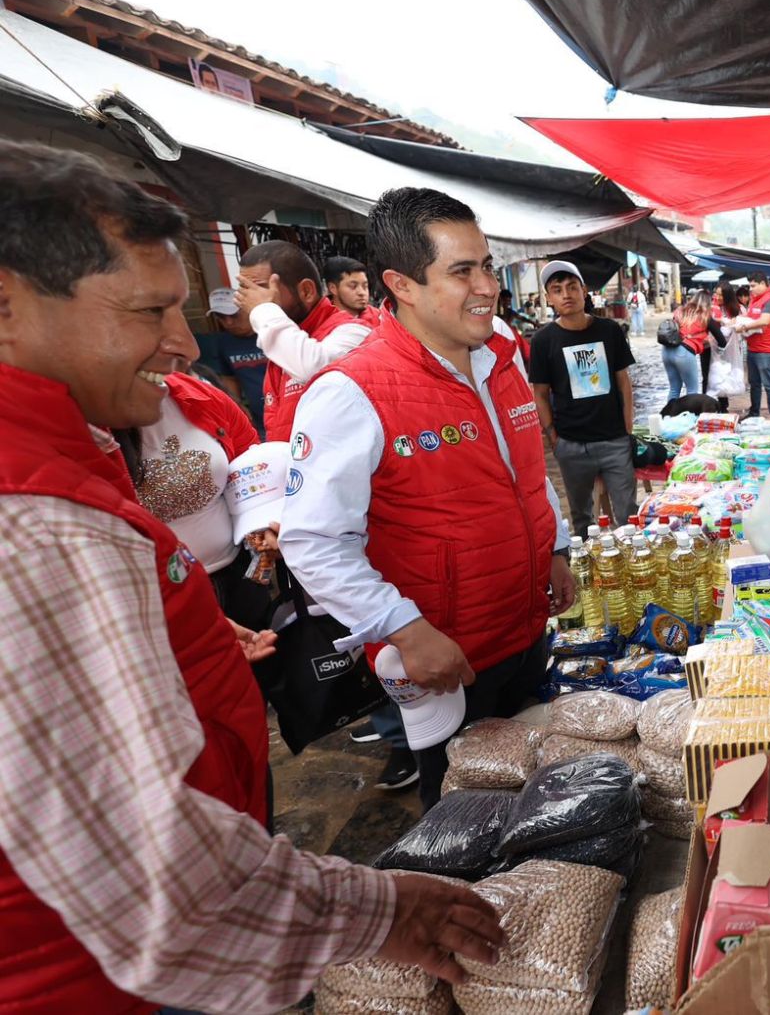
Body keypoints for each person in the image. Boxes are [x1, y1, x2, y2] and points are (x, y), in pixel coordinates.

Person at [0, 140, 502, 1014]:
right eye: (148, 310)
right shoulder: (38, 524)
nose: (181, 341)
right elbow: (163, 884)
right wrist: (379, 910)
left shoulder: (66, 456)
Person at [281, 186, 576, 811]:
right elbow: (312, 542)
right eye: (462, 271)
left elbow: (525, 471)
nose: (487, 287)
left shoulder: (501, 358)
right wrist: (405, 629)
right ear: (402, 285)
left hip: (527, 635)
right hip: (448, 664)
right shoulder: (349, 392)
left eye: (487, 266)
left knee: (546, 810)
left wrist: (555, 548)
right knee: (468, 824)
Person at [111, 370, 279, 633]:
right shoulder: (93, 426)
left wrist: (263, 528)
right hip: (164, 595)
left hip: (239, 574)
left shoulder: (200, 395)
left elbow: (250, 465)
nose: (188, 351)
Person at [529, 260, 638, 534]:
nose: (566, 295)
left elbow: (623, 381)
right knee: (582, 520)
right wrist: (554, 437)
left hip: (615, 440)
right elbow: (540, 393)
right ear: (549, 298)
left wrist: (627, 428)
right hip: (572, 445)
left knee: (629, 517)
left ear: (584, 290)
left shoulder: (609, 330)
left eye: (572, 287)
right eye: (557, 290)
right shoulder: (543, 340)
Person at [235, 241, 373, 440]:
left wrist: (263, 310)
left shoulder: (356, 331)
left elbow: (314, 368)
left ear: (306, 291)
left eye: (262, 289)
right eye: (246, 290)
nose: (252, 300)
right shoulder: (283, 336)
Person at [196, 286, 268, 434]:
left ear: (246, 308)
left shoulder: (270, 331)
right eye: (221, 317)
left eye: (233, 315)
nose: (228, 322)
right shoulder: (224, 343)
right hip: (260, 421)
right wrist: (237, 405)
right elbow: (230, 378)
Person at [736, 271, 770, 419]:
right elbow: (752, 317)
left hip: (766, 350)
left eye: (753, 286)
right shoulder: (755, 300)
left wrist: (744, 327)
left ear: (763, 283)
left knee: (768, 385)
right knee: (754, 383)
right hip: (753, 348)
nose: (750, 289)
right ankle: (754, 413)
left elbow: (764, 321)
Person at [662, 292, 709, 403]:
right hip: (684, 352)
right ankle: (690, 414)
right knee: (692, 390)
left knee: (674, 389)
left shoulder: (679, 311)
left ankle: (670, 413)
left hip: (666, 350)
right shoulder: (704, 316)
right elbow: (717, 339)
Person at [706, 283, 745, 412]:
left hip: (731, 347)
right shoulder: (712, 307)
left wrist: (730, 322)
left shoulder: (738, 309)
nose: (717, 297)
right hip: (713, 346)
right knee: (714, 373)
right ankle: (716, 404)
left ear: (728, 296)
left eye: (720, 295)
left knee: (727, 373)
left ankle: (724, 404)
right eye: (716, 294)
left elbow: (742, 325)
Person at [323, 255, 373, 320]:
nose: (362, 292)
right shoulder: (322, 322)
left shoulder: (380, 318)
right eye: (353, 286)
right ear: (333, 288)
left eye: (365, 286)